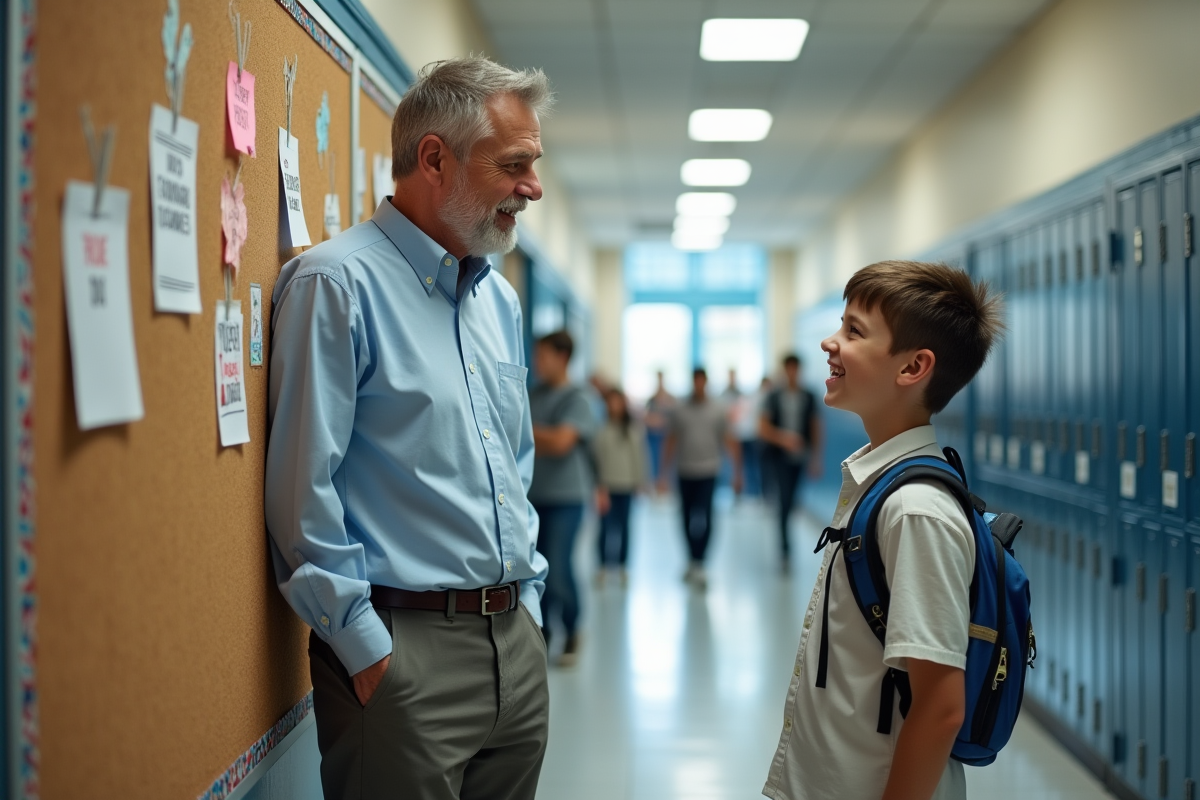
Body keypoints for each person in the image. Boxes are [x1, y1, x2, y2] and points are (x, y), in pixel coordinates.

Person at [265, 56, 553, 800]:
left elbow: (514, 470)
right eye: (514, 164)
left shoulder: (500, 305)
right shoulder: (336, 285)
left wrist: (531, 611)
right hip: (403, 650)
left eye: (535, 164)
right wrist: (364, 648)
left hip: (512, 643)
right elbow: (305, 491)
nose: (534, 187)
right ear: (435, 158)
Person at [762, 260, 1004, 800]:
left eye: (854, 330)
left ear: (913, 367)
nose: (830, 342)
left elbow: (941, 708)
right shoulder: (879, 483)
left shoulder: (914, 510)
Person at [529, 330, 597, 667]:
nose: (538, 363)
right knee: (535, 571)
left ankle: (571, 628)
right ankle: (542, 632)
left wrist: (527, 429)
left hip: (567, 498)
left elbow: (560, 444)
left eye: (544, 356)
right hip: (531, 496)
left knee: (557, 566)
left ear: (563, 357)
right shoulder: (533, 394)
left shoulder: (578, 398)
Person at [658, 368, 742, 588]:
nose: (698, 386)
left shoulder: (717, 409)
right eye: (694, 382)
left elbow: (729, 439)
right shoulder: (680, 409)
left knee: (705, 516)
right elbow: (671, 440)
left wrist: (737, 472)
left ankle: (701, 562)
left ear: (705, 382)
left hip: (709, 471)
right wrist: (663, 474)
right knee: (685, 518)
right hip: (685, 471)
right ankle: (691, 559)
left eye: (701, 382)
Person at [759, 354, 823, 567]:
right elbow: (764, 428)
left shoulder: (808, 396)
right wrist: (783, 439)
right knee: (784, 500)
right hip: (779, 457)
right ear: (785, 370)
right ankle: (785, 548)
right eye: (789, 369)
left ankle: (786, 543)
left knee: (792, 499)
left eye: (796, 369)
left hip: (800, 457)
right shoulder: (774, 396)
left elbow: (815, 427)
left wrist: (815, 457)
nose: (792, 373)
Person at [591, 387, 650, 586]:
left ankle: (623, 566)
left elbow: (639, 457)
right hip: (607, 488)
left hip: (626, 487)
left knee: (624, 527)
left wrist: (640, 481)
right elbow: (596, 460)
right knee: (605, 528)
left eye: (618, 402)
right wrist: (599, 486)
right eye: (611, 402)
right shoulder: (602, 429)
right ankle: (602, 566)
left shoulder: (632, 429)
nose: (614, 406)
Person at [643, 370, 676, 489]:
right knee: (653, 464)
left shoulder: (670, 399)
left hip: (665, 437)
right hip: (652, 438)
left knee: (667, 463)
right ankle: (656, 485)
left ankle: (665, 484)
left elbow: (673, 419)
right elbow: (646, 418)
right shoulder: (651, 399)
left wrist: (660, 421)